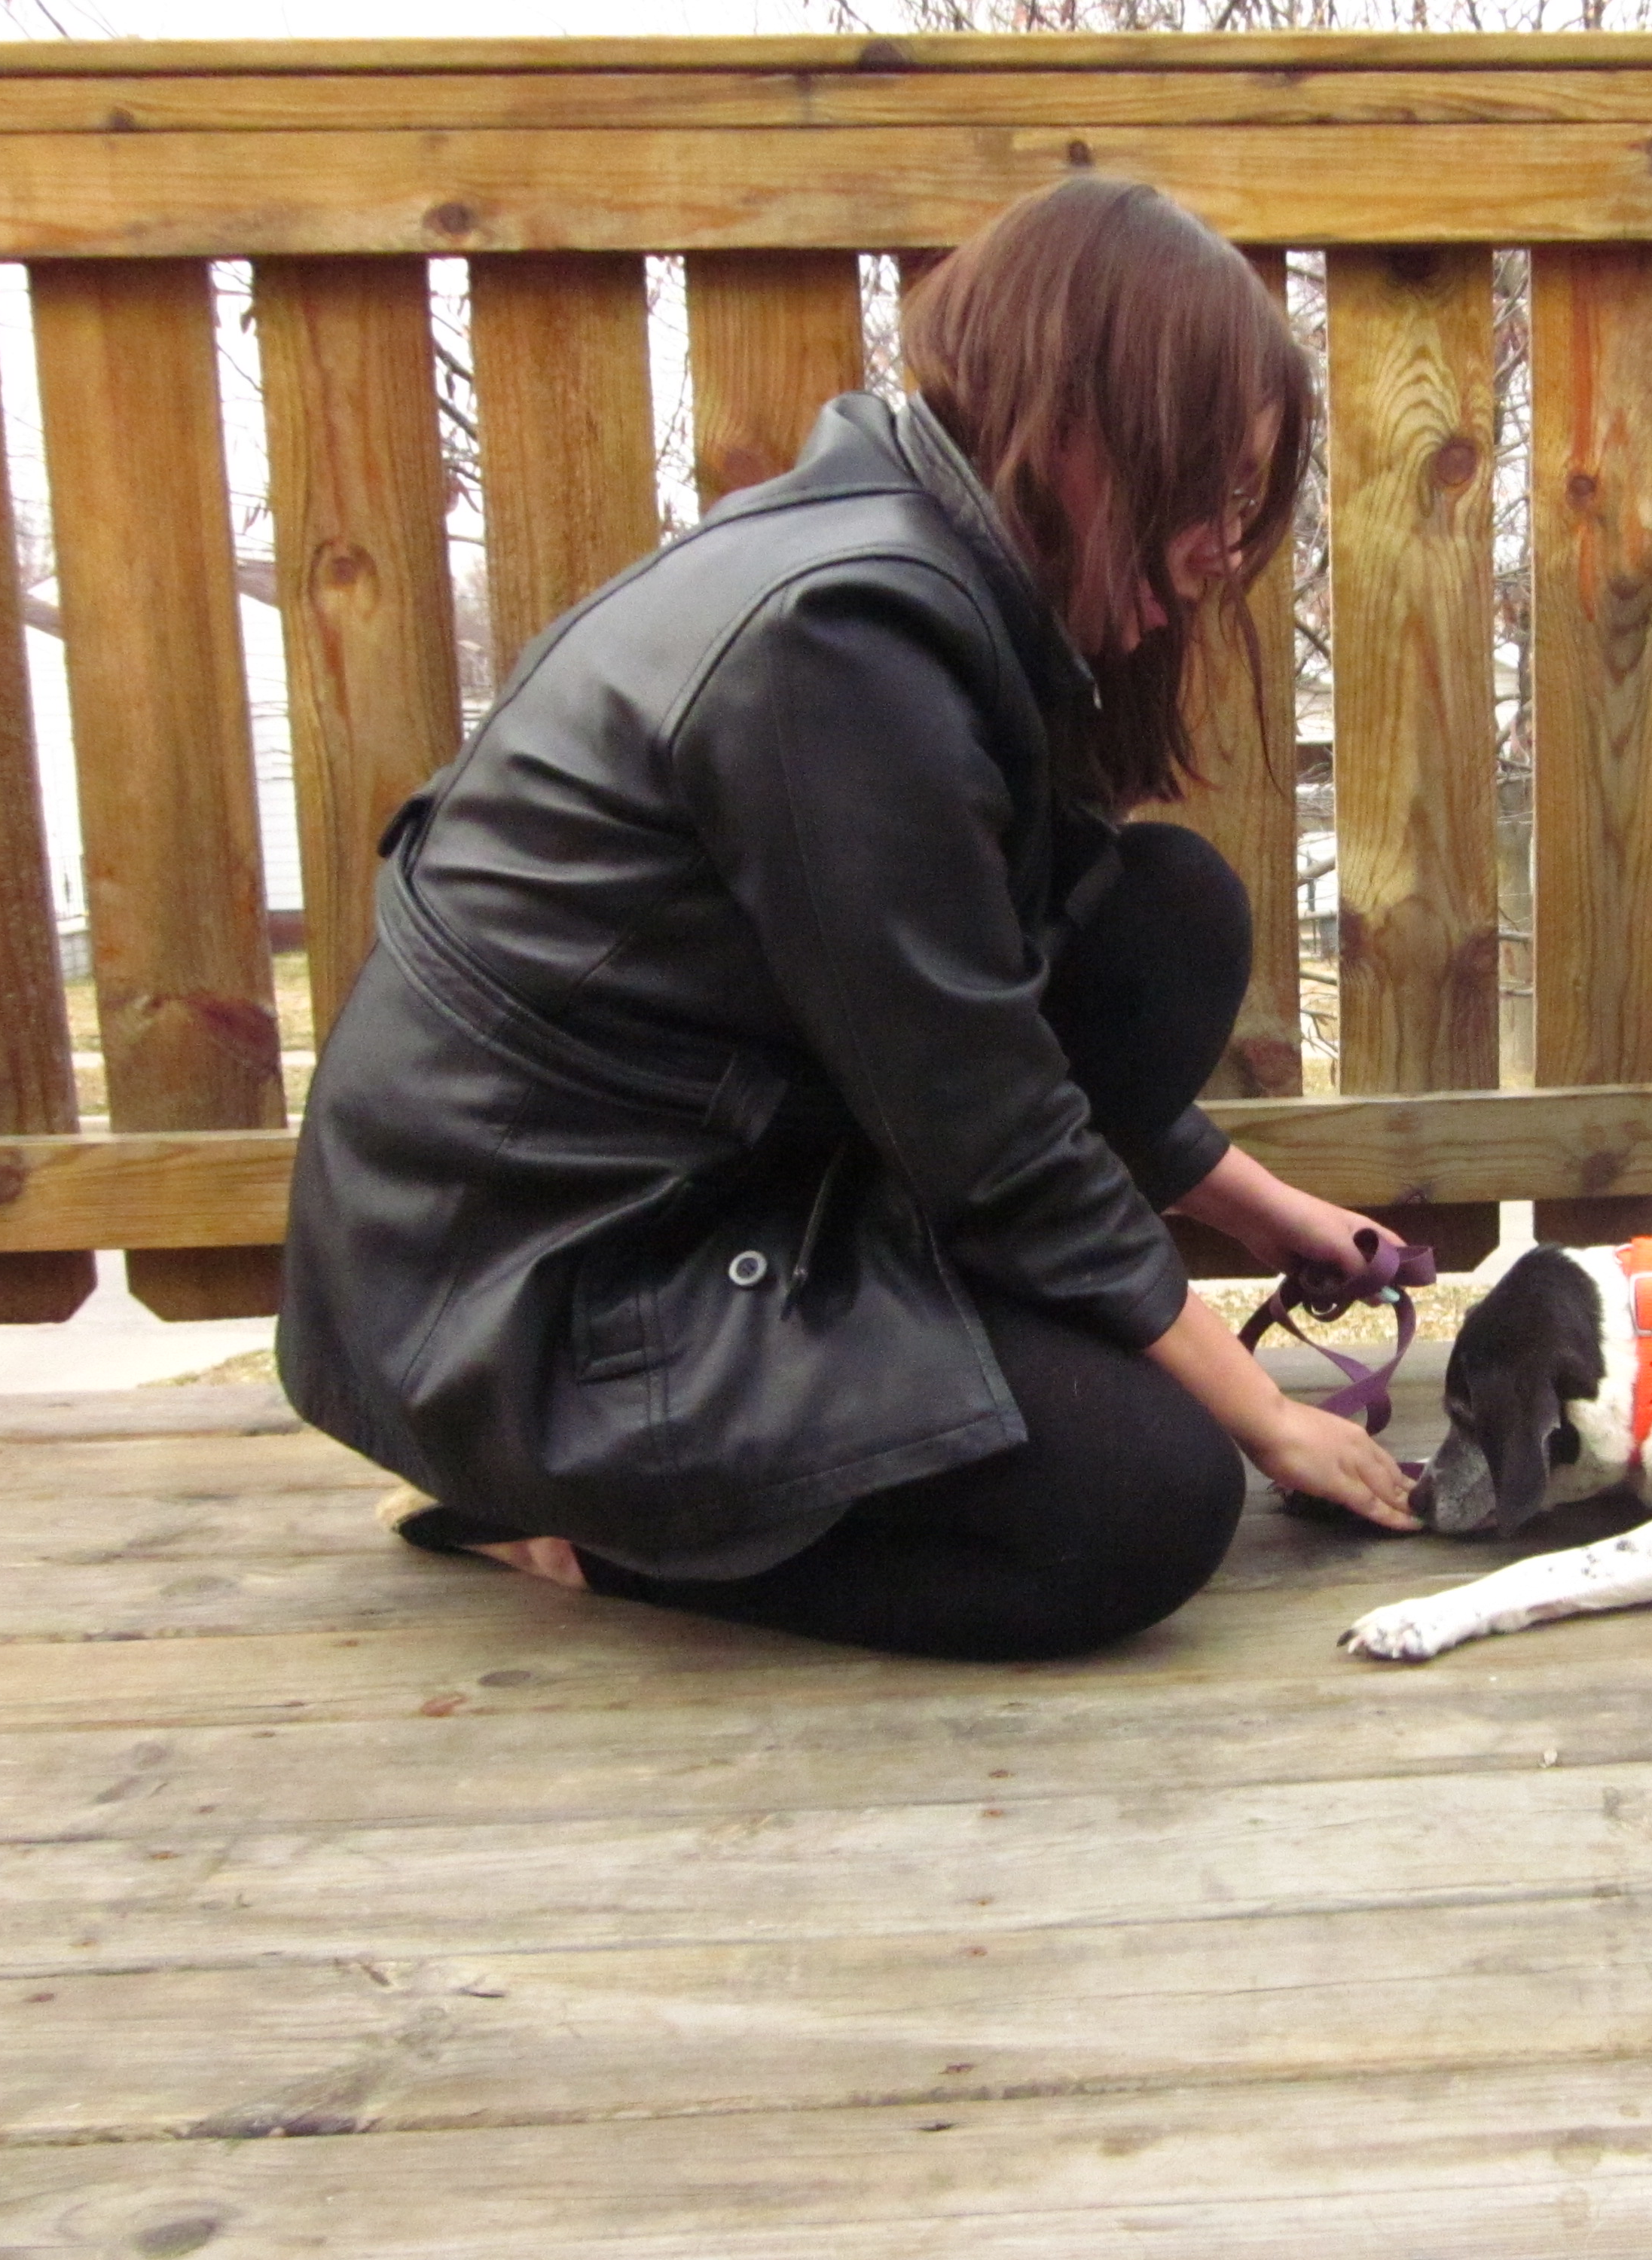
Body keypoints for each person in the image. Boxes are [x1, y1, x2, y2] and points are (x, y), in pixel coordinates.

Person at [278, 176, 1415, 1663]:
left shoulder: (914, 581)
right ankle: (560, 1517)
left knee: (1166, 915)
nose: (1221, 546)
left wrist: (1269, 1214)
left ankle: (853, 1407)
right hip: (528, 1303)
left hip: (711, 1188)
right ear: (1076, 428)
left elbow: (964, 1026)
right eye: (1208, 486)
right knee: (1142, 1502)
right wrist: (1266, 1417)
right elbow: (984, 1124)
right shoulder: (839, 642)